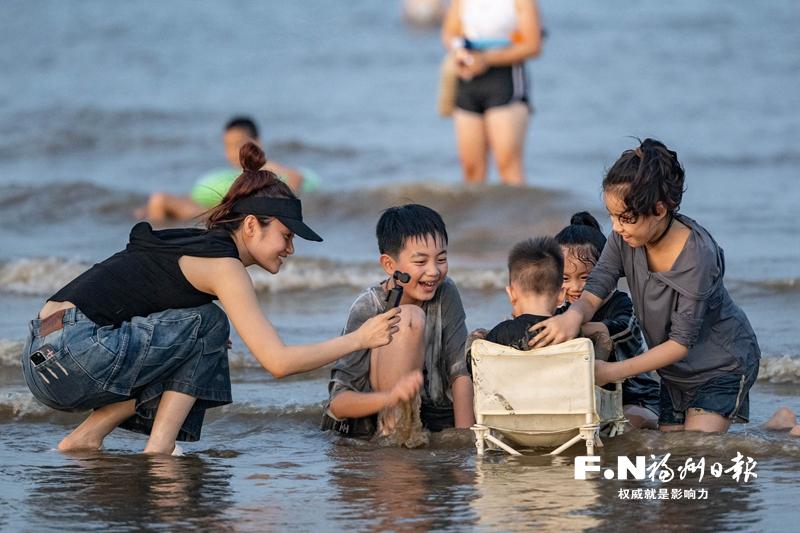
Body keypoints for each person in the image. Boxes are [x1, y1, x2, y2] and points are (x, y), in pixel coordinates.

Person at [21, 142, 400, 454]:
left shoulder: (195, 246)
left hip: (43, 356)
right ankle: (160, 450)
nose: (291, 249)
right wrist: (361, 338)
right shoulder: (224, 267)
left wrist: (200, 343)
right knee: (212, 322)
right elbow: (278, 363)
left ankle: (88, 437)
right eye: (287, 236)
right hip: (74, 353)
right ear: (252, 225)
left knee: (208, 329)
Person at [530, 138, 761, 433]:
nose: (615, 227)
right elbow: (599, 283)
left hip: (722, 364)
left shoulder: (697, 256)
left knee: (696, 452)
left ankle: (779, 431)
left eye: (625, 218)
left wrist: (611, 371)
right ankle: (776, 425)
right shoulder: (625, 237)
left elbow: (680, 343)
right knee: (672, 454)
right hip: (674, 372)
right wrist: (571, 316)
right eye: (612, 216)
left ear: (659, 210)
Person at [321, 204, 474, 443]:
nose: (434, 271)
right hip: (371, 425)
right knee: (409, 317)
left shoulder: (446, 292)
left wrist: (467, 440)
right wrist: (391, 397)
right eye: (420, 262)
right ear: (390, 266)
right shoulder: (368, 307)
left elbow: (459, 372)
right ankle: (395, 437)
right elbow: (338, 404)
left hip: (431, 416)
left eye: (441, 259)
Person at [554, 212, 660, 429]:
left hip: (635, 398)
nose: (575, 287)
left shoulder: (623, 304)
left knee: (625, 424)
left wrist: (575, 326)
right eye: (565, 278)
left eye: (586, 277)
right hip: (590, 403)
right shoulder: (562, 312)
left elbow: (621, 327)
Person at [136, 116, 314, 222]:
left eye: (238, 144)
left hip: (224, 215)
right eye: (227, 146)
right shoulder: (233, 175)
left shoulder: (263, 166)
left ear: (256, 143)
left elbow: (295, 177)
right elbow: (200, 196)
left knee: (159, 199)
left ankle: (154, 249)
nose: (232, 152)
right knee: (156, 203)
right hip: (212, 208)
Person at [441, 0, 542, 185]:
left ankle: (518, 214)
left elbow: (533, 45)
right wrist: (460, 51)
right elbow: (449, 32)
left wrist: (485, 59)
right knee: (471, 169)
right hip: (467, 79)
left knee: (508, 166)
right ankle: (475, 214)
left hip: (505, 79)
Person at [482, 236, 564, 350]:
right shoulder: (567, 332)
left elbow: (477, 362)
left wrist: (476, 339)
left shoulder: (502, 332)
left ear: (512, 294)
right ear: (561, 295)